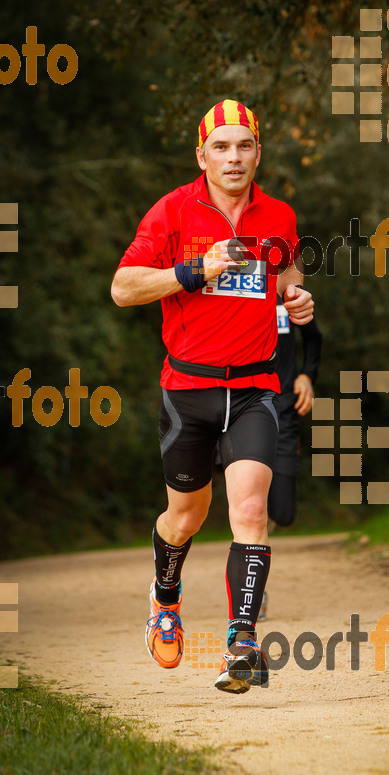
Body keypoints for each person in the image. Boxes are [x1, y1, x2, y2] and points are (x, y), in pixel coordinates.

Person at [111, 99, 314, 695]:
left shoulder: (279, 215)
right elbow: (123, 288)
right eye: (221, 147)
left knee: (250, 512)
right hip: (188, 391)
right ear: (202, 155)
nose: (233, 157)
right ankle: (165, 598)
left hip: (254, 387)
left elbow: (287, 278)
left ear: (258, 153)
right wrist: (193, 271)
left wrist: (296, 301)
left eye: (244, 146)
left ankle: (243, 642)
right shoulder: (172, 211)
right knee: (186, 517)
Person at [258, 296, 322, 620]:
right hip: (245, 406)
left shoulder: (289, 300)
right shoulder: (237, 290)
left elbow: (313, 336)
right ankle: (255, 589)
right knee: (250, 505)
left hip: (284, 413)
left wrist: (307, 375)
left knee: (282, 512)